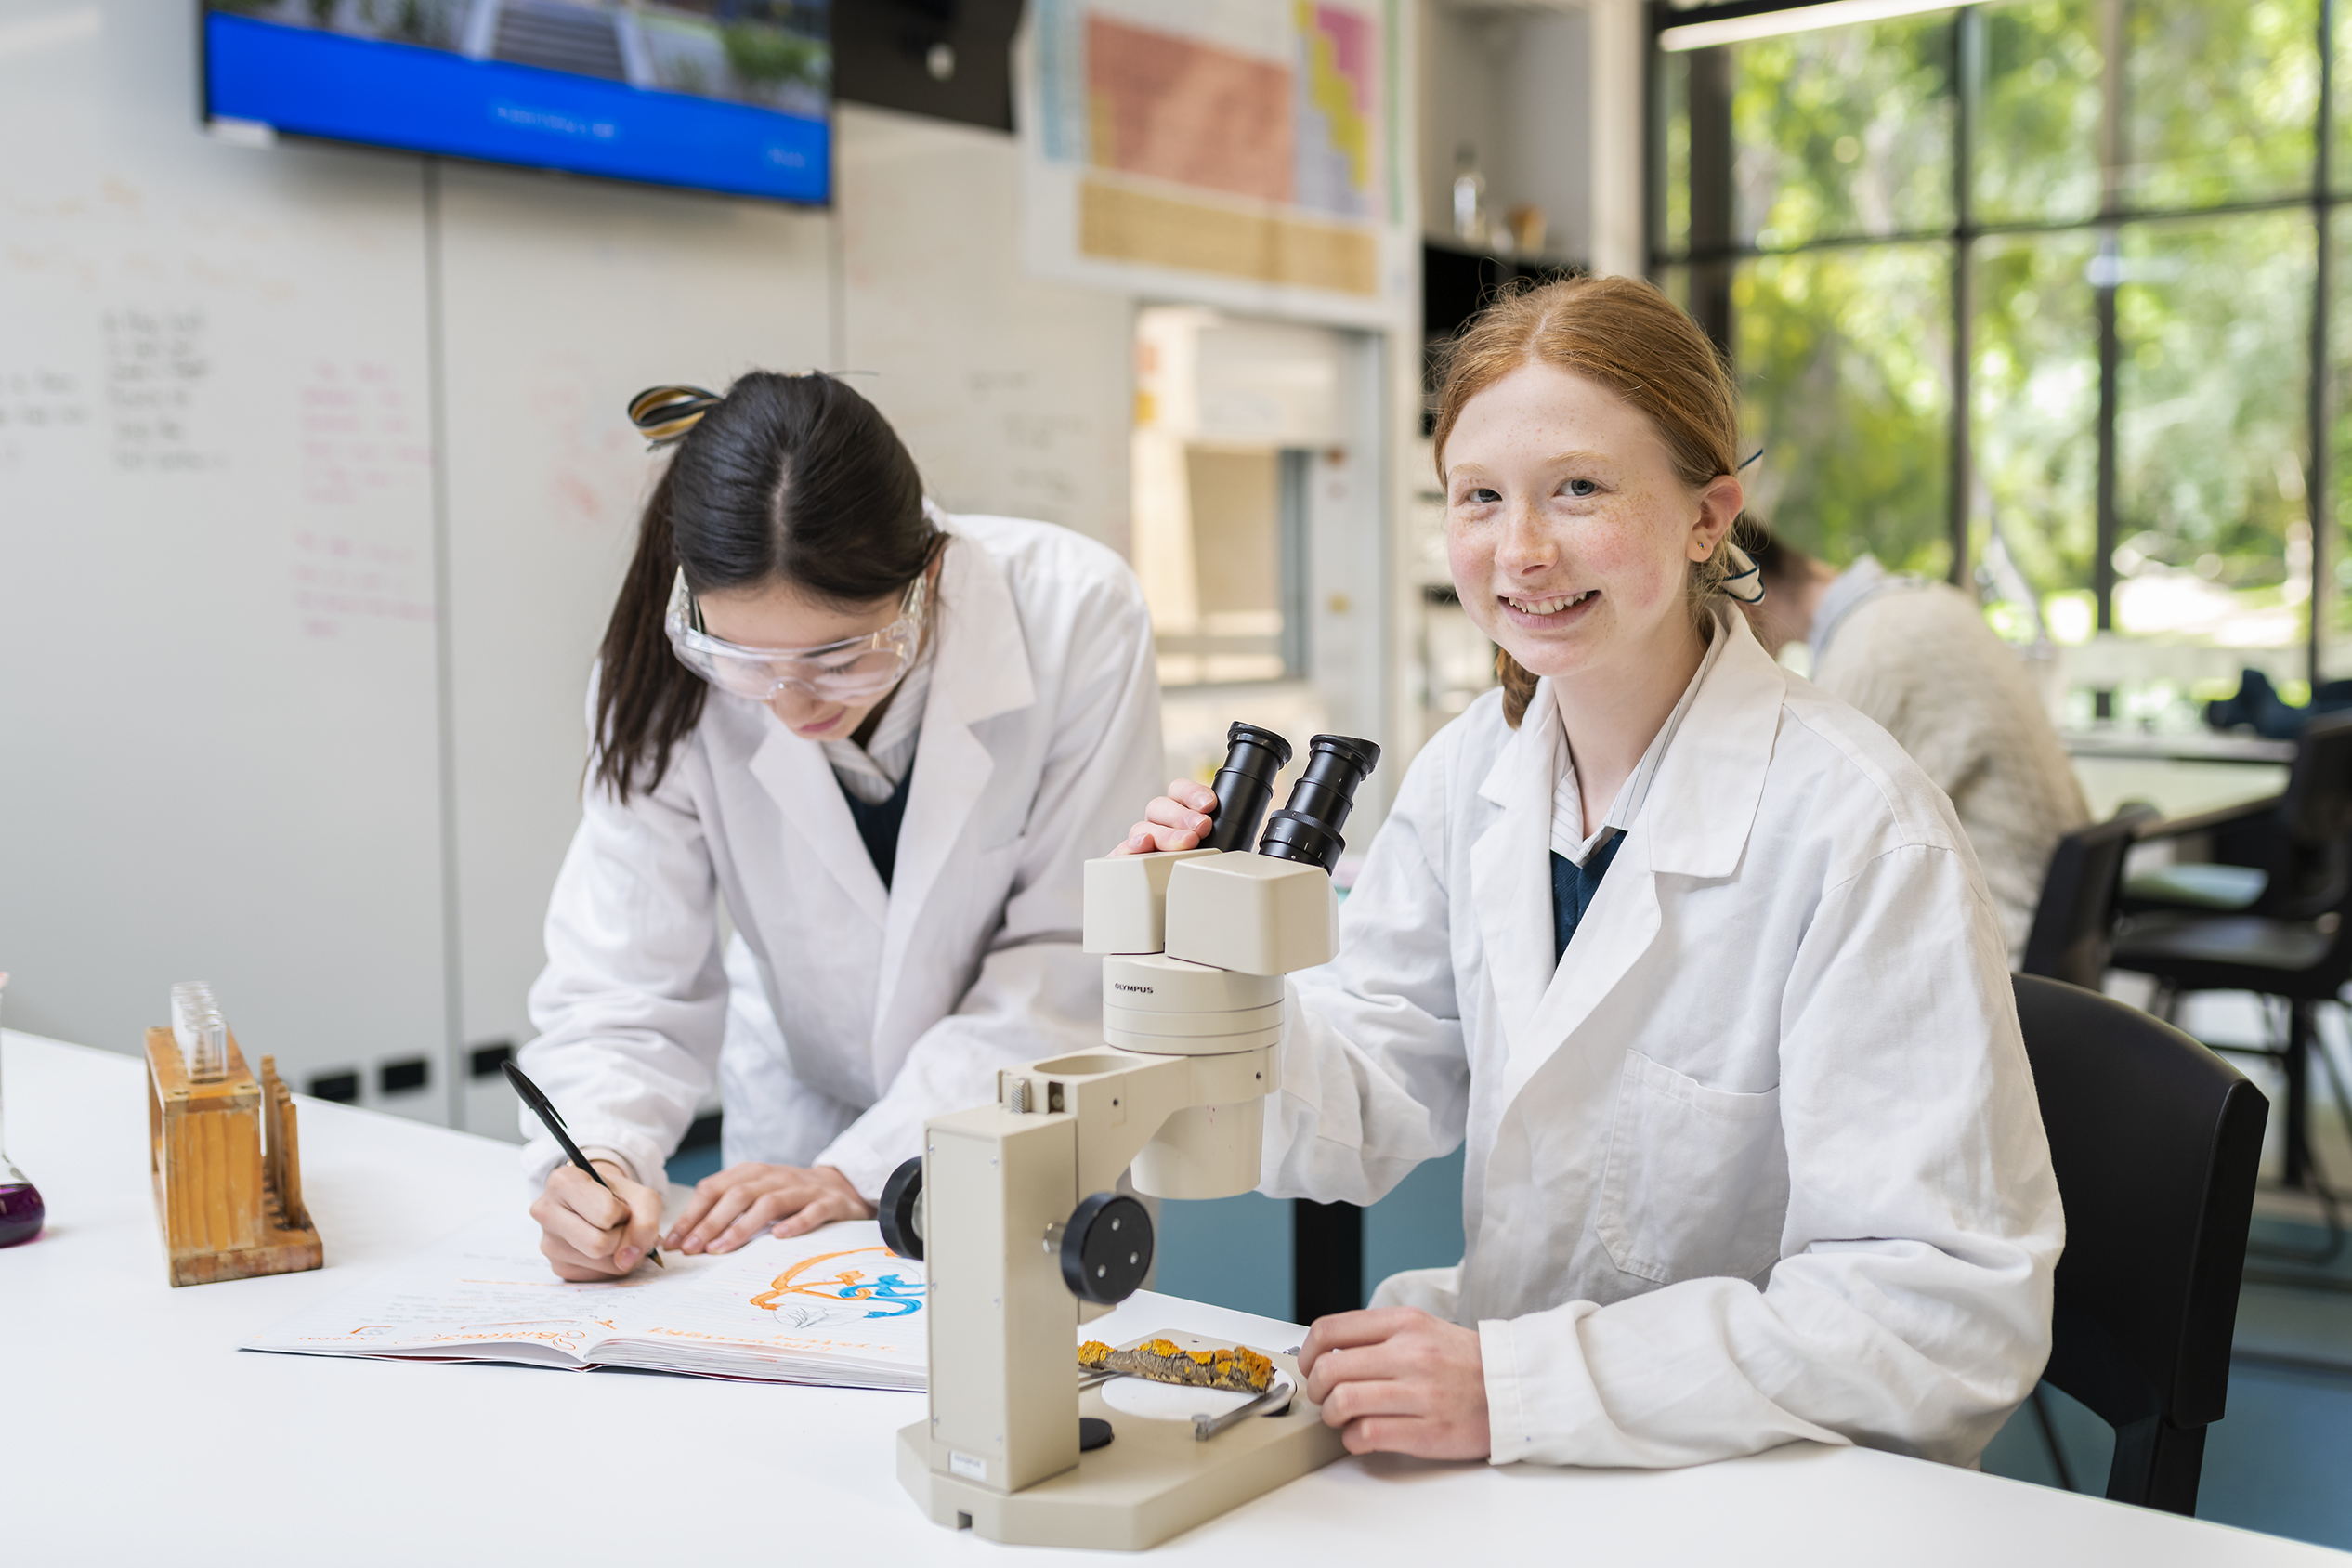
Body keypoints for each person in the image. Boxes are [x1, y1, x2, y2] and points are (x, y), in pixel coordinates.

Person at [1118, 278, 2061, 1470]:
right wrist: (1208, 970)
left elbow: (1940, 1314)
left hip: (1770, 1483)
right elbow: (1359, 1102)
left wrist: (1522, 1385)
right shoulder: (1475, 771)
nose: (1520, 551)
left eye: (1579, 488)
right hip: (1515, 1450)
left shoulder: (1856, 827)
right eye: (1478, 497)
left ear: (1710, 515)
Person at [520, 372, 1164, 1281]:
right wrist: (598, 1158)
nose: (789, 703)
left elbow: (1068, 949)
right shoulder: (658, 673)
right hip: (795, 1116)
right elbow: (623, 972)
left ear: (927, 578)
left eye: (840, 655)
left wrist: (865, 1168)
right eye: (744, 660)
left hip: (1019, 1108)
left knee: (1029, 1390)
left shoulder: (1073, 612)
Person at [1741, 533, 2090, 963]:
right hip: (2052, 921)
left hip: (2000, 941)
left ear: (1749, 592)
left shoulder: (1868, 650)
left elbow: (1800, 836)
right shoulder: (1929, 601)